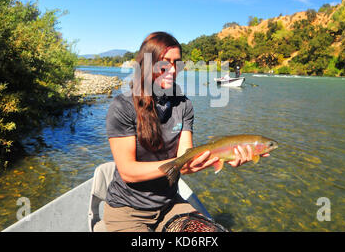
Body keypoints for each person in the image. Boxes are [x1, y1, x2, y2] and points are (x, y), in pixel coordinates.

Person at [99, 32, 255, 232]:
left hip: (170, 205)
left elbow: (185, 160)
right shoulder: (122, 106)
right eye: (165, 62)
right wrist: (175, 165)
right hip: (128, 211)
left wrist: (224, 155)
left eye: (177, 63)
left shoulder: (184, 105)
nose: (172, 70)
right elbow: (128, 171)